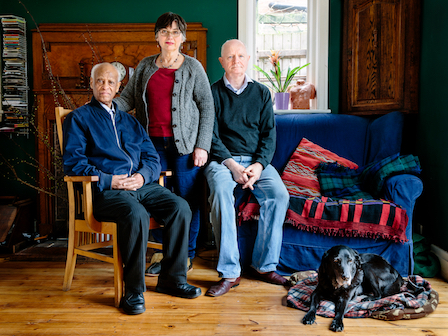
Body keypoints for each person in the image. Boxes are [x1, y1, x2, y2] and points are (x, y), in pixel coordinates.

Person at [63, 63, 201, 315]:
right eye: (100, 81)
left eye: (110, 82)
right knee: (135, 213)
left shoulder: (131, 121)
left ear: (118, 88)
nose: (105, 86)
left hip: (140, 185)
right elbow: (74, 163)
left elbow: (151, 157)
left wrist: (141, 176)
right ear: (92, 84)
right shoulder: (78, 119)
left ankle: (172, 279)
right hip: (105, 192)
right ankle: (134, 291)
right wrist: (109, 180)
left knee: (180, 206)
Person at [114, 12, 214, 276]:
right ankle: (161, 252)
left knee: (187, 200)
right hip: (151, 148)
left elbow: (207, 107)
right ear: (156, 36)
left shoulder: (194, 68)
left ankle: (185, 256)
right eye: (165, 31)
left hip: (186, 148)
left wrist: (202, 145)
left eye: (175, 32)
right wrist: (104, 107)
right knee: (156, 200)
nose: (170, 37)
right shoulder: (145, 67)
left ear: (183, 38)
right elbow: (126, 101)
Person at [204, 39, 290, 297]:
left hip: (255, 162)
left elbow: (269, 136)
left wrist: (259, 166)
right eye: (230, 57)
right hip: (222, 161)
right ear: (222, 62)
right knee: (220, 192)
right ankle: (230, 272)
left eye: (240, 55)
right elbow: (210, 135)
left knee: (279, 195)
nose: (236, 61)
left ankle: (264, 266)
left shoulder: (262, 93)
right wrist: (231, 165)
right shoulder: (213, 92)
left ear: (248, 59)